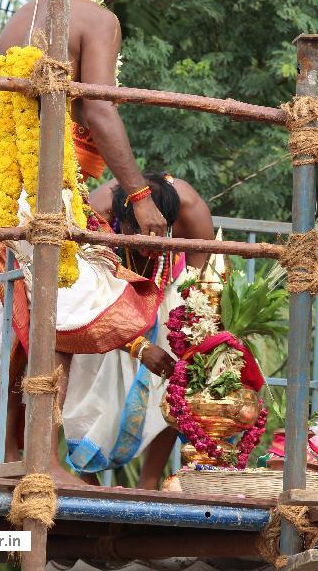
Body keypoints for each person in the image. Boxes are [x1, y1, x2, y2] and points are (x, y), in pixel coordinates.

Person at [0, 0, 171, 485]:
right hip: (40, 192)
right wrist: (140, 195)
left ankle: (21, 455)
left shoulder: (19, 18)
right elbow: (100, 110)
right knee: (59, 316)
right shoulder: (99, 21)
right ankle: (44, 461)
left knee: (23, 320)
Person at [63, 172, 214, 488]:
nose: (148, 243)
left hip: (166, 285)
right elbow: (85, 301)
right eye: (139, 232)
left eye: (159, 232)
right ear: (121, 221)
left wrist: (191, 338)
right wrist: (139, 347)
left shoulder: (193, 214)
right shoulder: (94, 217)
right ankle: (85, 479)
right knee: (88, 362)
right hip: (106, 289)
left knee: (179, 367)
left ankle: (149, 482)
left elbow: (198, 292)